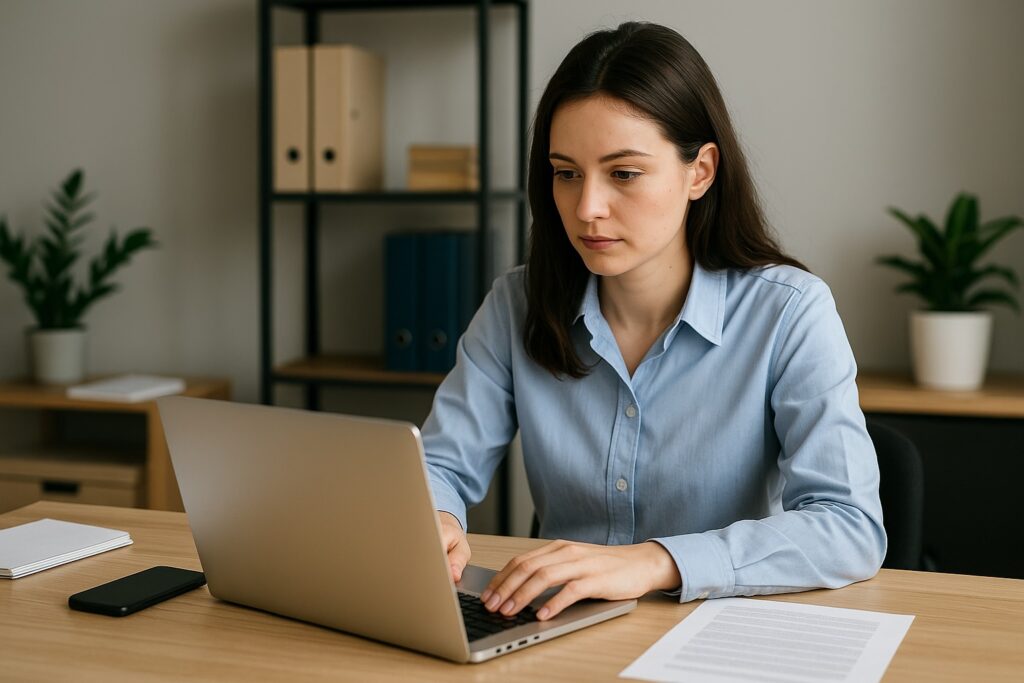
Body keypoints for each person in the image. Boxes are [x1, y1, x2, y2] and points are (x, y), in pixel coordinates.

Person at [421, 21, 885, 622]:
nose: (587, 208)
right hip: (559, 628)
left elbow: (849, 527)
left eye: (623, 173)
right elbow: (440, 465)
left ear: (700, 171)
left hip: (724, 630)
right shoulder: (517, 305)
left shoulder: (790, 313)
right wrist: (436, 516)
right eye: (566, 173)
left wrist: (655, 561)